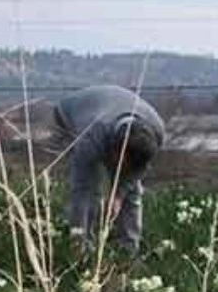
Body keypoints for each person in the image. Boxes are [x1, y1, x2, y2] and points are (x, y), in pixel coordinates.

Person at [52, 85, 164, 256]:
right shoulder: (91, 137)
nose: (124, 170)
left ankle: (128, 250)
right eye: (122, 163)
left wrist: (118, 195)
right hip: (69, 114)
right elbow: (81, 189)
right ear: (114, 150)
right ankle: (81, 249)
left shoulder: (156, 131)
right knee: (89, 189)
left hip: (110, 113)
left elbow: (136, 172)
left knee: (132, 191)